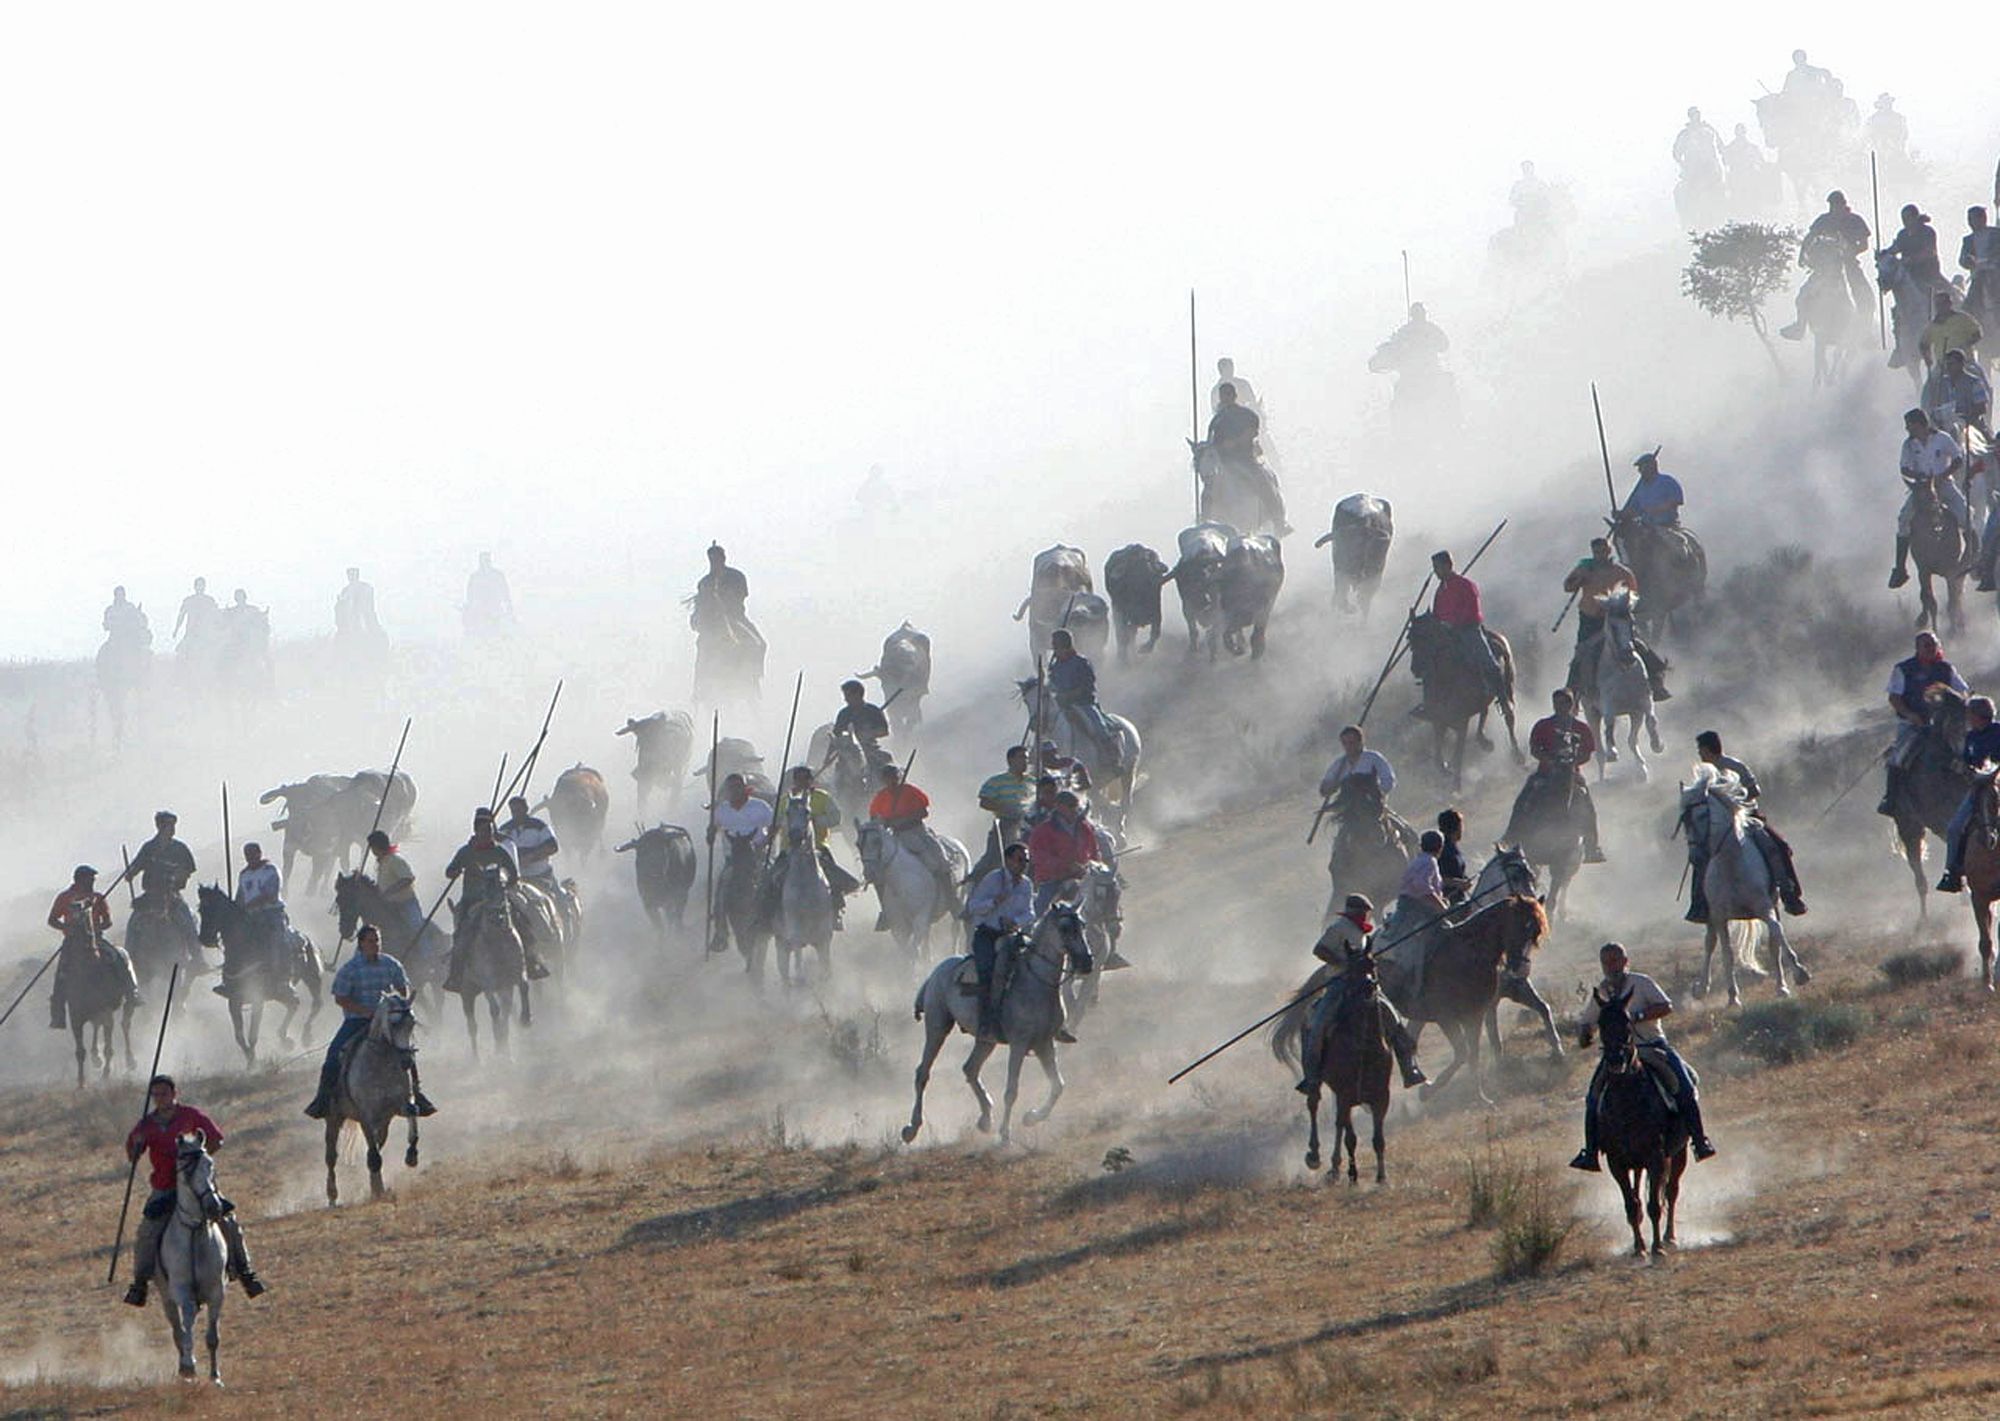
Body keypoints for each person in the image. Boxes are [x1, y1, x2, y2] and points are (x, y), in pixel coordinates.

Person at [122, 1075, 264, 1306]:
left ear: (174, 1094)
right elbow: (132, 1155)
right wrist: (136, 1145)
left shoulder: (191, 1115)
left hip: (196, 1187)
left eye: (164, 1094)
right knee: (146, 1233)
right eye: (155, 1095)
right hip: (165, 1186)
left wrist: (198, 1165)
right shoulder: (146, 1124)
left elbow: (216, 1139)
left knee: (228, 1221)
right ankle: (140, 1284)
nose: (160, 1099)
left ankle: (246, 1273)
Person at [1571, 943, 1715, 1170]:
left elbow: (1665, 1006)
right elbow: (1588, 1020)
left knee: (1685, 1087)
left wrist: (1637, 1016)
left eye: (1615, 961)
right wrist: (1585, 1033)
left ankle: (1699, 1141)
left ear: (1625, 961)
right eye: (1606, 962)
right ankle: (1590, 1152)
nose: (1610, 967)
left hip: (1652, 1045)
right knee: (1593, 1097)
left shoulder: (1641, 982)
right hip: (1618, 1053)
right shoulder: (1601, 992)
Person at [1294, 894, 1427, 1095]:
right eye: (1364, 912)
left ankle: (1409, 1068)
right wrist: (1345, 963)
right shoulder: (1338, 928)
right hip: (1339, 984)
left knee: (1395, 1021)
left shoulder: (1363, 934)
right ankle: (1312, 1078)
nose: (1366, 916)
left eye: (1367, 913)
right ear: (1355, 912)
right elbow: (1320, 950)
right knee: (1318, 1025)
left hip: (1366, 984)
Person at [304, 924, 433, 1120]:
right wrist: (366, 1012)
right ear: (361, 944)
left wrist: (398, 999)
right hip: (357, 1021)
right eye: (370, 941)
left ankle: (416, 1095)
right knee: (333, 1055)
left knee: (405, 1052)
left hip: (388, 1021)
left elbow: (403, 988)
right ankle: (323, 1100)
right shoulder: (350, 969)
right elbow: (340, 998)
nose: (375, 945)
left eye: (377, 940)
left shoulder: (391, 964)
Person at [1689, 731, 1807, 919]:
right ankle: (1699, 905)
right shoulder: (1703, 774)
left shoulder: (1734, 766)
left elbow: (1755, 790)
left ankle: (1789, 894)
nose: (1699, 753)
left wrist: (1734, 802)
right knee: (1699, 855)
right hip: (1717, 825)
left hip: (1748, 819)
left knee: (1779, 847)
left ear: (1707, 749)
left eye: (1700, 749)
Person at [443, 809, 546, 988]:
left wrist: (505, 886)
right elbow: (449, 871)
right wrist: (455, 871)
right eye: (484, 831)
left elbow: (514, 874)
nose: (487, 835)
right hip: (472, 900)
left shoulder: (499, 851)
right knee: (461, 937)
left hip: (498, 898)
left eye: (490, 831)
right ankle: (456, 976)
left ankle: (532, 963)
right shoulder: (465, 852)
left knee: (523, 923)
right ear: (476, 831)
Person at [1562, 536, 1671, 701]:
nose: (1600, 555)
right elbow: (1568, 587)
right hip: (1591, 619)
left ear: (1609, 551)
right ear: (1593, 553)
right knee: (1582, 653)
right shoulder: (1584, 569)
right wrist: (1580, 578)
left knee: (1636, 645)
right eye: (1597, 552)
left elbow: (1633, 595)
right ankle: (1571, 694)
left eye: (1603, 551)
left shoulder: (1622, 573)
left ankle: (1656, 682)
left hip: (1618, 618)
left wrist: (1623, 607)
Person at [1509, 689, 1606, 863]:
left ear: (1570, 705)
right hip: (1546, 772)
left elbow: (1587, 753)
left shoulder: (1581, 728)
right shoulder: (1543, 725)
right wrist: (1549, 760)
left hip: (1571, 775)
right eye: (1556, 703)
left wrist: (1574, 762)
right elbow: (1535, 748)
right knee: (1525, 797)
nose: (1558, 707)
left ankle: (1592, 847)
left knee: (1586, 804)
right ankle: (1511, 836)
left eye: (1562, 703)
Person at [1880, 631, 1970, 816]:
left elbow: (1963, 693)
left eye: (1933, 645)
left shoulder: (1946, 669)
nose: (1930, 649)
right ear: (1918, 648)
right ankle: (1891, 800)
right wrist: (1910, 715)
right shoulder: (1904, 669)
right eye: (1926, 645)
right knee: (1898, 758)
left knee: (1967, 750)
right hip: (1913, 725)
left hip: (1944, 725)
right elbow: (1894, 698)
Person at [1891, 407, 1974, 589]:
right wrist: (1919, 477)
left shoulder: (1942, 438)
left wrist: (1943, 475)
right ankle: (1900, 569)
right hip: (1922, 488)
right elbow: (1904, 468)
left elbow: (1958, 458)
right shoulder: (1909, 445)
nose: (1907, 429)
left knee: (1964, 513)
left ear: (1920, 424)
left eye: (1910, 425)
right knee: (1904, 519)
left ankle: (1974, 556)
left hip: (1944, 484)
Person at [47, 865, 139, 1028]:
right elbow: (52, 920)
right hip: (72, 941)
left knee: (117, 957)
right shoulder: (64, 898)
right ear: (80, 880)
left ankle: (132, 992)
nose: (92, 883)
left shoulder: (98, 898)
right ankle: (58, 1013)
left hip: (96, 940)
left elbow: (108, 922)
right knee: (61, 973)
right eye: (90, 880)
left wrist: (96, 928)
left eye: (93, 880)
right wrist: (67, 928)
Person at [868, 764, 960, 923]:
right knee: (878, 872)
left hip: (918, 831)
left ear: (899, 777)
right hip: (895, 835)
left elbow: (924, 811)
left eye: (894, 778)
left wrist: (904, 819)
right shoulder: (880, 797)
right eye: (887, 779)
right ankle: (886, 911)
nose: (891, 781)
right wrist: (886, 822)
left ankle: (952, 900)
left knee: (941, 860)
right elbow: (874, 818)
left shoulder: (910, 791)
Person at [772, 765, 861, 927]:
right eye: (798, 779)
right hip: (788, 849)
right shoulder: (784, 800)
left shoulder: (823, 797)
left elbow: (836, 818)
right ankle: (767, 916)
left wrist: (815, 821)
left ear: (811, 780)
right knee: (770, 881)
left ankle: (836, 910)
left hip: (817, 847)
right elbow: (776, 822)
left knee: (834, 879)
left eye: (805, 779)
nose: (802, 782)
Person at [965, 842, 1036, 1041]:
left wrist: (1016, 922)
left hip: (1012, 937)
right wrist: (994, 902)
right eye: (1020, 860)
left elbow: (1030, 912)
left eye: (1026, 861)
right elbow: (973, 906)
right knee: (987, 972)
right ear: (1008, 860)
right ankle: (986, 1020)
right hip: (988, 935)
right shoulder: (993, 880)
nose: (1024, 865)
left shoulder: (1026, 884)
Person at [1780, 192, 1873, 337]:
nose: (1834, 208)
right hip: (1825, 266)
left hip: (1849, 264)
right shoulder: (1823, 220)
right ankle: (1800, 325)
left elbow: (1864, 245)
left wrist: (1850, 252)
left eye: (1837, 204)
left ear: (1843, 204)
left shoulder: (1855, 220)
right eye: (1832, 205)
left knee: (1862, 294)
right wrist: (1802, 255)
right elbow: (1810, 237)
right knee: (1803, 295)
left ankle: (1866, 330)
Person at [1205, 382, 1291, 534]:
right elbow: (1211, 442)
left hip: (1246, 460)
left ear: (1234, 396)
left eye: (1228, 395)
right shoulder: (1216, 420)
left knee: (1265, 483)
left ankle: (1279, 521)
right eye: (1223, 396)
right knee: (1208, 491)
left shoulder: (1246, 415)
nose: (1225, 398)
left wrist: (1237, 441)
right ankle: (1204, 520)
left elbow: (1253, 431)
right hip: (1225, 463)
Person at [1936, 697, 2000, 893]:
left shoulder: (1998, 732)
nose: (1968, 718)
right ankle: (1952, 873)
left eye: (1969, 715)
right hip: (1979, 788)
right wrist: (1962, 768)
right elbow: (1967, 762)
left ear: (1978, 715)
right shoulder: (1971, 737)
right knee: (1954, 828)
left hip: (1998, 784)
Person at [1425, 549, 1506, 702]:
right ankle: (1431, 701)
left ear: (1448, 566)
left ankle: (1503, 699)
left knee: (1488, 662)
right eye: (1434, 568)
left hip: (1467, 630)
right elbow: (1436, 613)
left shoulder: (1466, 585)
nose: (1435, 572)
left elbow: (1472, 610)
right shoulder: (1440, 591)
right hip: (1445, 634)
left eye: (1438, 567)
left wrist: (1454, 624)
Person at [1047, 629, 1121, 769]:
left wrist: (1070, 695)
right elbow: (1053, 685)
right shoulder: (1055, 666)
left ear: (1065, 646)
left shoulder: (1081, 662)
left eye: (1056, 647)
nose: (1055, 651)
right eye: (1054, 647)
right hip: (1061, 706)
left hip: (1084, 704)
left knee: (1099, 729)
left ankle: (1113, 759)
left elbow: (1087, 685)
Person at [969, 745, 1037, 884]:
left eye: (1026, 758)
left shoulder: (1033, 782)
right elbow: (984, 802)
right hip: (1006, 824)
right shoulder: (997, 782)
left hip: (1028, 826)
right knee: (992, 857)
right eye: (1021, 758)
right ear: (1010, 760)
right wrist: (1006, 808)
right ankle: (974, 880)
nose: (1025, 762)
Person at [128, 809, 198, 942]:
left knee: (187, 921)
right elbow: (136, 866)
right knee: (133, 922)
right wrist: (130, 873)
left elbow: (187, 870)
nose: (172, 829)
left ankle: (196, 952)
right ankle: (129, 952)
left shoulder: (180, 849)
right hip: (150, 896)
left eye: (173, 826)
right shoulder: (148, 848)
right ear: (159, 826)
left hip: (172, 896)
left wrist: (178, 878)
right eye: (168, 826)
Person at [1026, 790, 1100, 916]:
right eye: (1071, 806)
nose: (1075, 810)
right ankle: (1033, 926)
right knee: (1041, 911)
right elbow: (1038, 856)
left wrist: (1093, 865)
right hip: (1052, 880)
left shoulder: (1084, 827)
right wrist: (1066, 865)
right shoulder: (1043, 830)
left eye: (1076, 806)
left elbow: (1094, 851)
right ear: (1059, 806)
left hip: (1082, 878)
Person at [365, 829, 424, 947]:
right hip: (389, 905)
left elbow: (408, 878)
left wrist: (389, 892)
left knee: (417, 929)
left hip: (406, 903)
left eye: (373, 847)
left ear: (378, 847)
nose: (372, 851)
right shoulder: (381, 863)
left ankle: (426, 953)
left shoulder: (395, 860)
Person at [1318, 724, 1395, 801]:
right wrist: (1331, 788)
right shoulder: (1339, 764)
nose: (1348, 746)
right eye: (1344, 743)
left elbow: (1388, 780)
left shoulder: (1373, 758)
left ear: (1361, 742)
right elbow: (1324, 788)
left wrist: (1376, 794)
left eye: (1351, 743)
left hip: (1370, 804)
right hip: (1346, 804)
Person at [1920, 289, 1983, 371]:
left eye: (1943, 303)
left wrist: (1966, 344)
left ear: (1949, 304)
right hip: (1943, 366)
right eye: (1938, 304)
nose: (1940, 307)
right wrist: (1927, 357)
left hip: (1966, 363)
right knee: (1933, 379)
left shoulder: (1963, 318)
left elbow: (1977, 333)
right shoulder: (1932, 326)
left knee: (1979, 377)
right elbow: (1923, 344)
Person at [832, 679, 891, 766]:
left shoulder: (873, 711)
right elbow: (836, 736)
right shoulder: (843, 714)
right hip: (848, 752)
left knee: (887, 763)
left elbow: (884, 731)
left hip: (870, 749)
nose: (845, 699)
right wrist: (828, 758)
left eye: (848, 695)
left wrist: (867, 734)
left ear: (857, 694)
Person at [1620, 451, 1684, 527]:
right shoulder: (1640, 488)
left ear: (1652, 466)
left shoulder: (1667, 481)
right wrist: (1622, 514)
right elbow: (1634, 510)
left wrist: (1656, 509)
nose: (1640, 470)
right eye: (1639, 468)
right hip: (1645, 526)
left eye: (1642, 467)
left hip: (1666, 525)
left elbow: (1676, 501)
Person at [1887, 204, 1943, 289]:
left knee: (1945, 292)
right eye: (1903, 219)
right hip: (1909, 274)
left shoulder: (1927, 232)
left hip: (1930, 274)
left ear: (1915, 217)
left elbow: (1930, 252)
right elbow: (1896, 247)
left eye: (1908, 218)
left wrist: (1911, 259)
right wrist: (1884, 253)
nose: (1905, 222)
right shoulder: (1902, 234)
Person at [464, 552, 515, 634]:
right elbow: (470, 596)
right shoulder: (475, 577)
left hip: (494, 609)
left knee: (493, 631)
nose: (485, 563)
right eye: (483, 560)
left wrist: (509, 607)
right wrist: (469, 609)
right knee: (481, 632)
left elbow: (505, 592)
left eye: (487, 560)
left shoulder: (497, 576)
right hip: (480, 611)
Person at [1671, 106, 1723, 177]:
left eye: (1697, 113)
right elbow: (1676, 153)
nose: (1696, 116)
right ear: (1690, 116)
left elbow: (1720, 145)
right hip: (1693, 171)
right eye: (1694, 114)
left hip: (1710, 169)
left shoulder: (1709, 129)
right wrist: (1684, 165)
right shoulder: (1685, 135)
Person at [334, 567, 381, 640]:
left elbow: (368, 600)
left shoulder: (365, 587)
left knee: (366, 619)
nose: (351, 577)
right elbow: (341, 602)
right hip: (349, 612)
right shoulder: (345, 590)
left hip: (361, 611)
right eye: (350, 575)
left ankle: (374, 633)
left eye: (353, 575)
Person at [1436, 809, 1471, 902]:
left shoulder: (1454, 848)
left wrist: (1465, 880)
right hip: (1448, 902)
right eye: (1461, 826)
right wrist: (1458, 883)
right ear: (1457, 828)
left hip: (1460, 899)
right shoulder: (1443, 850)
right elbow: (1438, 877)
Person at [173, 576, 218, 648]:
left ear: (204, 587)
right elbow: (181, 616)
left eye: (202, 585)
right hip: (191, 632)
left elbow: (216, 616)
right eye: (198, 585)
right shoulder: (188, 601)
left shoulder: (210, 601)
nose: (200, 587)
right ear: (195, 587)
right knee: (181, 650)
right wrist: (176, 630)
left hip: (206, 634)